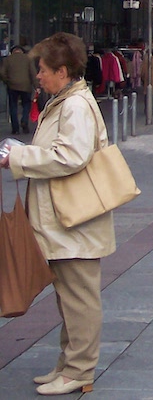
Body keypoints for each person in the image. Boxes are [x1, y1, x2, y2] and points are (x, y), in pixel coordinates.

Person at [0, 32, 115, 396]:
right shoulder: (65, 100)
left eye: (44, 69)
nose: (39, 75)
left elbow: (70, 156)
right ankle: (69, 365)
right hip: (65, 220)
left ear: (62, 71)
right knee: (69, 298)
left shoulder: (75, 105)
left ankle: (80, 370)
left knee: (79, 299)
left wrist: (16, 158)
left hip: (75, 221)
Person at [2, 43, 37, 134]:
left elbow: (2, 72)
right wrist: (36, 86)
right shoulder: (28, 59)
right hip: (26, 85)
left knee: (13, 106)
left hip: (12, 86)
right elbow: (33, 73)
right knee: (26, 104)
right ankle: (24, 120)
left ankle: (15, 129)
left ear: (12, 51)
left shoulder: (7, 60)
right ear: (22, 51)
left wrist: (7, 81)